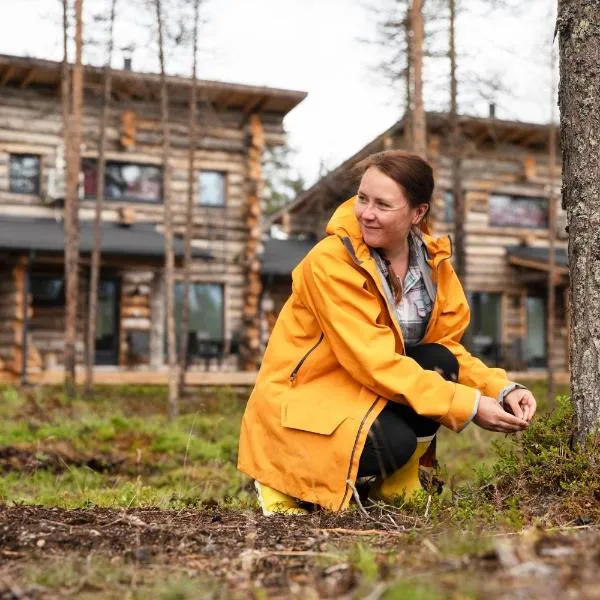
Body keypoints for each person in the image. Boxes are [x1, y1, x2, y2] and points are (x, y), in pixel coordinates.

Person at [238, 150, 537, 516]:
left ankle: (396, 481)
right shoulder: (330, 261)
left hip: (357, 391)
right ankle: (280, 482)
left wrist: (500, 388)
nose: (366, 212)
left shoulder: (433, 266)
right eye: (363, 198)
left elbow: (445, 349)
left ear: (417, 213)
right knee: (393, 443)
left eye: (383, 204)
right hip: (305, 401)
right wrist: (471, 406)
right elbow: (374, 360)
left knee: (437, 360)